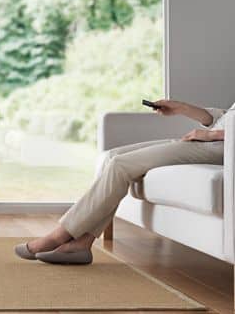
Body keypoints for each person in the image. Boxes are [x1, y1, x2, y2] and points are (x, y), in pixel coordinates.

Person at [14, 99, 233, 265]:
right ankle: (82, 244)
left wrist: (214, 136)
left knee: (120, 165)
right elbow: (225, 117)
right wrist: (182, 108)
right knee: (112, 158)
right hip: (208, 141)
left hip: (219, 148)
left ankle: (60, 235)